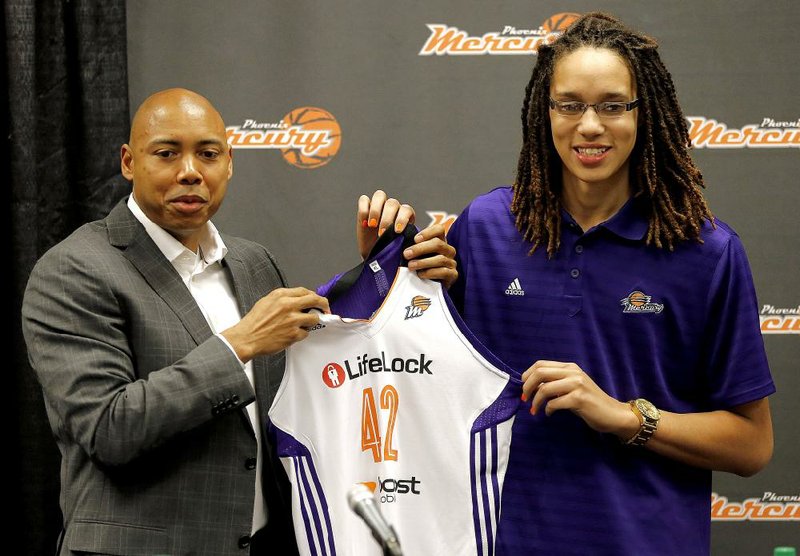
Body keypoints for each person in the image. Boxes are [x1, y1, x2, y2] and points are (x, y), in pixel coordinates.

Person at [21, 88, 452, 556]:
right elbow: (109, 429)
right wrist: (240, 343)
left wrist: (381, 272)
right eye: (166, 153)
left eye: (207, 154)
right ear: (129, 162)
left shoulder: (252, 263)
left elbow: (315, 387)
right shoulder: (74, 269)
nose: (190, 171)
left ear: (229, 162)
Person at [441, 13, 775, 555]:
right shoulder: (485, 228)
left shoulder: (707, 253)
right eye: (569, 104)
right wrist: (389, 266)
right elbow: (412, 374)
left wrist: (622, 416)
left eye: (612, 105)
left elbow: (753, 445)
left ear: (645, 115)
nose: (589, 125)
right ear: (543, 112)